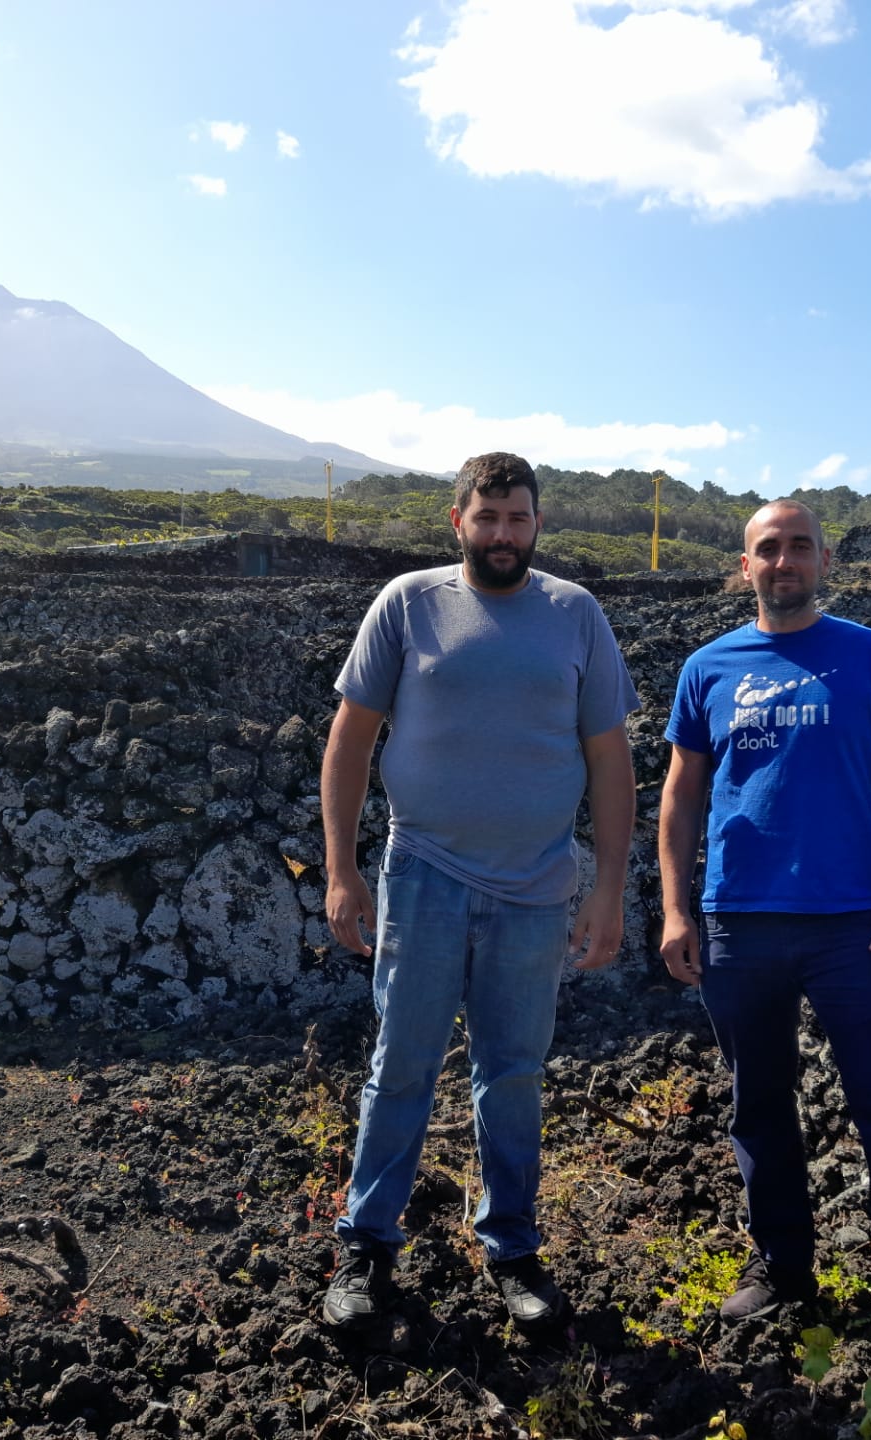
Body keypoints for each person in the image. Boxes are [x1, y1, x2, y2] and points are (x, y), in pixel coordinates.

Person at [656, 499, 871, 1407]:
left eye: (800, 546)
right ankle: (784, 1270)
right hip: (738, 923)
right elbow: (681, 795)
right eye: (768, 548)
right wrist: (676, 908)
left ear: (823, 560)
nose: (785, 560)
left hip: (855, 926)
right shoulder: (708, 667)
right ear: (746, 565)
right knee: (759, 1107)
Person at [320, 451, 638, 1331]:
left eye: (518, 518)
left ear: (538, 524)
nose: (503, 533)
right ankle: (365, 1247)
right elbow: (351, 739)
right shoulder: (408, 603)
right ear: (457, 520)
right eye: (487, 517)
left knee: (513, 1075)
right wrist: (342, 869)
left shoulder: (576, 615)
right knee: (401, 1066)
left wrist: (609, 888)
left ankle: (513, 1248)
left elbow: (611, 760)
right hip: (423, 875)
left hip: (536, 887)